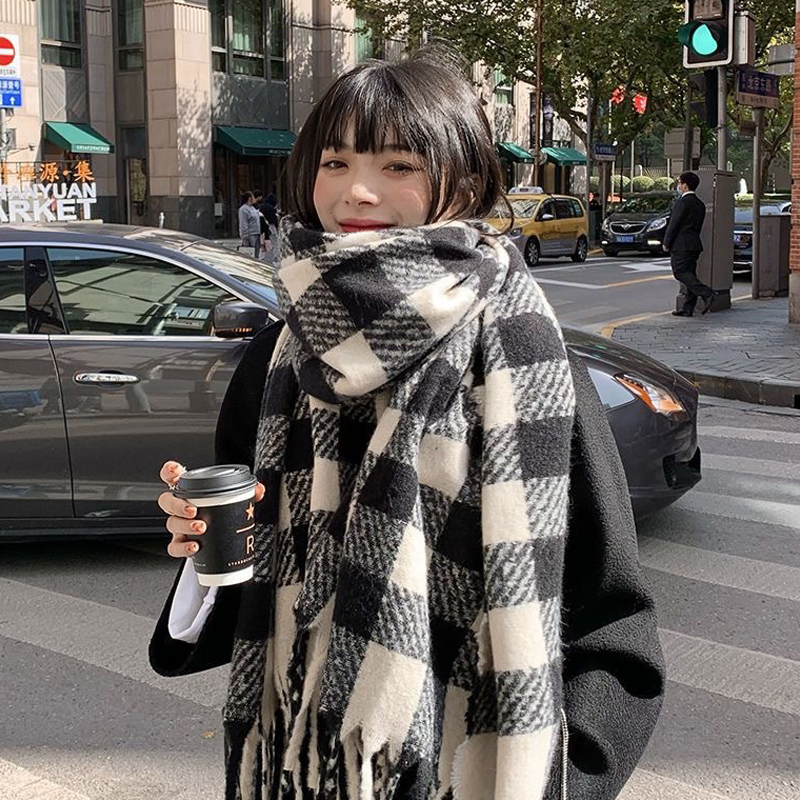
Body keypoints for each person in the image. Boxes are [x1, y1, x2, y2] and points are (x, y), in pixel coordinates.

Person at [150, 46, 664, 800]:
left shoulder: (518, 355)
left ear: (463, 181)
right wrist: (205, 553)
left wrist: (561, 783)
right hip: (299, 771)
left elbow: (612, 621)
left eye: (398, 166)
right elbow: (252, 591)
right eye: (335, 162)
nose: (356, 191)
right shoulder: (277, 357)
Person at [663, 171, 717, 316]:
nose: (678, 186)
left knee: (680, 272)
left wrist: (666, 242)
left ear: (685, 185)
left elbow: (674, 223)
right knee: (690, 273)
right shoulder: (700, 204)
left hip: (681, 244)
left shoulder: (682, 202)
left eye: (680, 183)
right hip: (694, 243)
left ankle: (707, 293)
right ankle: (688, 308)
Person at [238, 190, 262, 259]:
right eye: (253, 197)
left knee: (256, 253)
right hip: (250, 235)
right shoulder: (243, 209)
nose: (254, 199)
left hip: (257, 233)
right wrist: (245, 236)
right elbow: (243, 223)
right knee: (251, 253)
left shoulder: (252, 208)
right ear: (249, 198)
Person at [252, 190, 273, 260]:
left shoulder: (256, 207)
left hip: (258, 229)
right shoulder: (256, 207)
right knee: (260, 244)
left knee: (260, 244)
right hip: (258, 230)